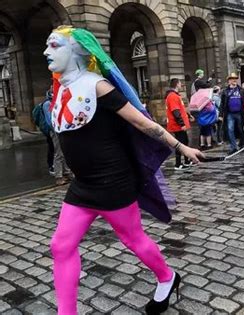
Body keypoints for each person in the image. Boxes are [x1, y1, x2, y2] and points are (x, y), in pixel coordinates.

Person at [44, 25, 203, 315]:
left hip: (113, 185)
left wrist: (183, 148)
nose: (46, 52)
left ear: (77, 51)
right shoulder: (62, 90)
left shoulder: (98, 86)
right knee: (60, 246)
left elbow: (144, 123)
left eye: (54, 45)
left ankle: (167, 277)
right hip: (82, 186)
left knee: (134, 240)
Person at [165, 78, 193, 170]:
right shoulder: (173, 96)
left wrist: (188, 116)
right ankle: (178, 164)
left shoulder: (175, 95)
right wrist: (182, 124)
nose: (181, 84)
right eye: (180, 83)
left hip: (179, 125)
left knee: (184, 142)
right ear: (177, 84)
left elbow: (180, 109)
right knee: (180, 144)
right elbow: (175, 111)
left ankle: (187, 160)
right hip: (177, 125)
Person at [220, 72, 244, 154]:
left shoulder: (241, 90)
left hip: (240, 113)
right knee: (230, 129)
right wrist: (220, 115)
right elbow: (222, 104)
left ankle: (242, 143)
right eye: (232, 79)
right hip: (230, 114)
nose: (234, 80)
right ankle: (233, 147)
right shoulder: (225, 91)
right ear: (229, 81)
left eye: (235, 79)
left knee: (241, 129)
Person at [32, 87, 55, 175]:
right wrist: (54, 129)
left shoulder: (53, 101)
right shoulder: (47, 103)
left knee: (54, 148)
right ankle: (51, 166)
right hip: (50, 130)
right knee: (52, 148)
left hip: (53, 129)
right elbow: (49, 120)